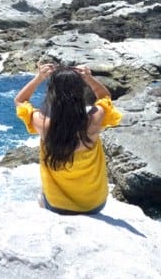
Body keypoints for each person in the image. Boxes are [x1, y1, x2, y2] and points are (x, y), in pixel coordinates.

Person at [14, 63, 123, 215]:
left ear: (52, 92)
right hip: (95, 204)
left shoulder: (43, 123)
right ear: (80, 92)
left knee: (40, 197)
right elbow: (105, 96)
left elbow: (20, 100)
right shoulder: (94, 119)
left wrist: (39, 78)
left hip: (58, 206)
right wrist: (89, 78)